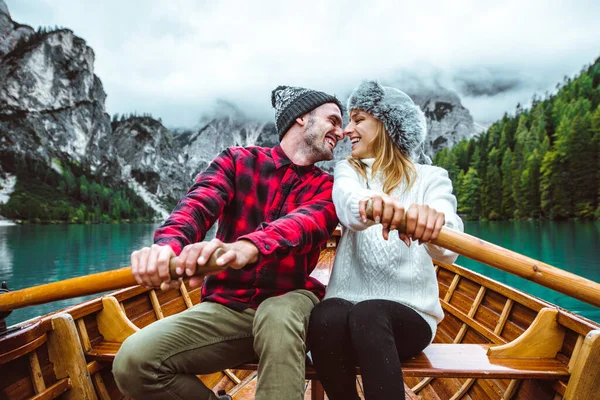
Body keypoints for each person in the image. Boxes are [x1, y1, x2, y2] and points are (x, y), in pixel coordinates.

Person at [112, 85, 345, 400]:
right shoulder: (236, 161)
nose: (341, 132)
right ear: (302, 118)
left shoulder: (329, 188)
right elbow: (197, 204)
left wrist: (246, 248)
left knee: (277, 315)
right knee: (134, 362)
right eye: (333, 120)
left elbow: (303, 226)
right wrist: (168, 246)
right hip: (227, 309)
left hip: (291, 302)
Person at [307, 81, 464, 400]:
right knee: (326, 314)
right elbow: (349, 204)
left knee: (369, 313)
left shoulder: (431, 178)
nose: (348, 130)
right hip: (347, 316)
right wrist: (374, 206)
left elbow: (448, 248)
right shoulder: (349, 171)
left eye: (359, 119)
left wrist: (435, 222)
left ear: (389, 124)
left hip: (410, 317)